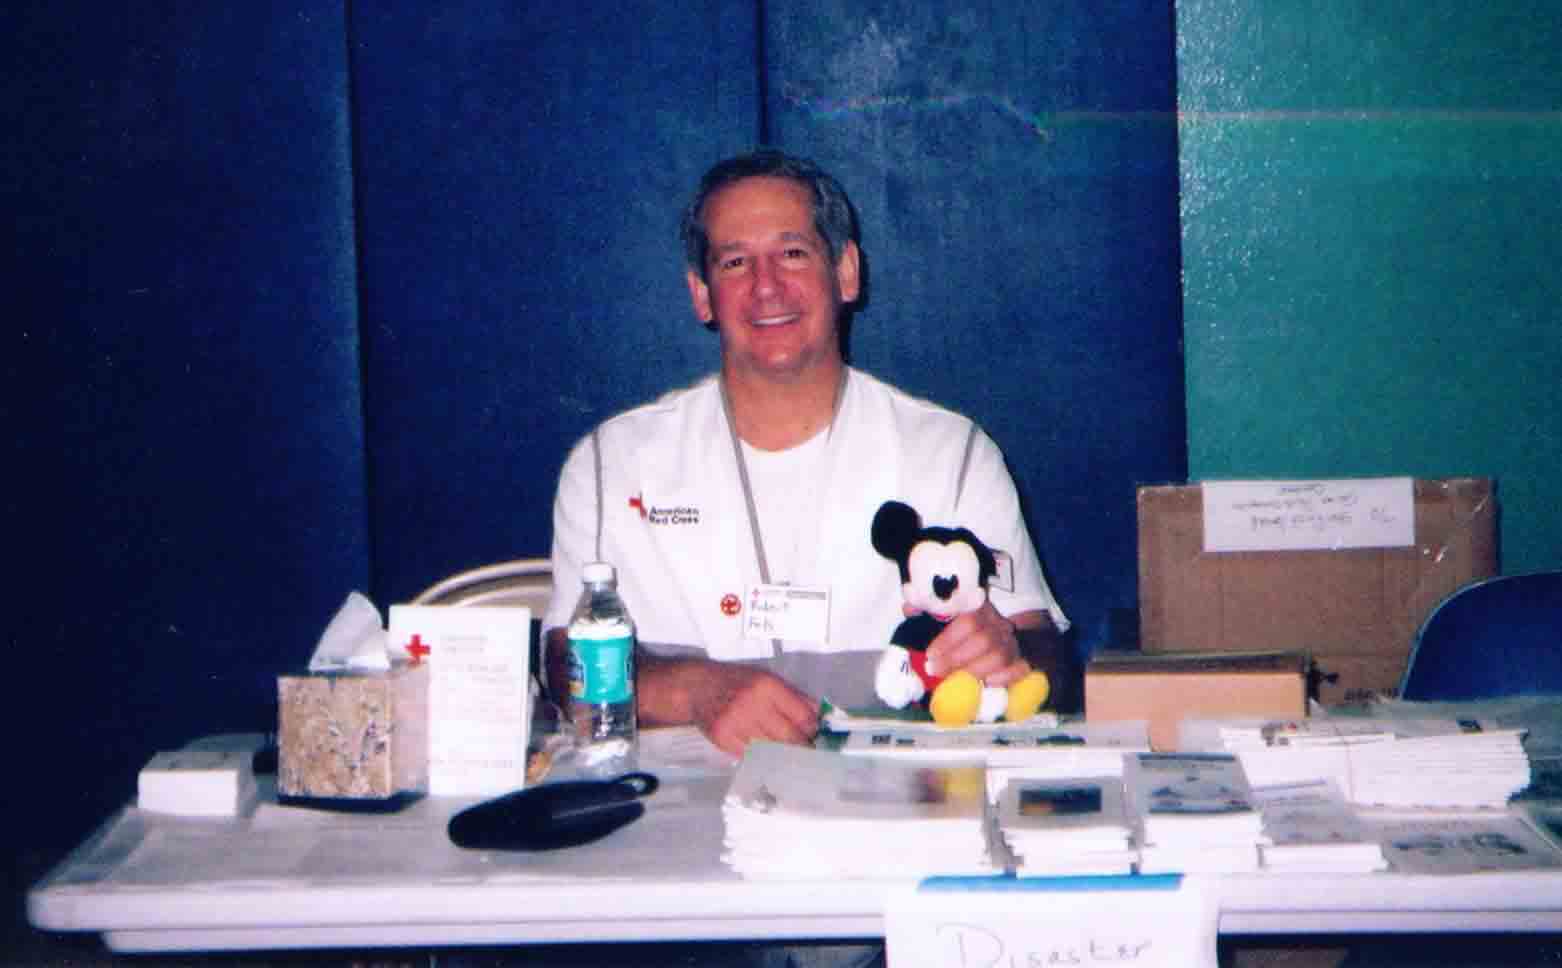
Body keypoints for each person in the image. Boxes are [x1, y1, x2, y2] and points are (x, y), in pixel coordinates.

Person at [542, 148, 1075, 757]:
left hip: (897, 811)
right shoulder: (611, 464)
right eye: (735, 261)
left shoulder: (950, 453)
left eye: (792, 253)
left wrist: (1006, 649)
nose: (766, 286)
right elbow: (565, 664)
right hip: (673, 813)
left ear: (846, 272)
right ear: (702, 295)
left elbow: (1048, 659)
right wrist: (698, 691)